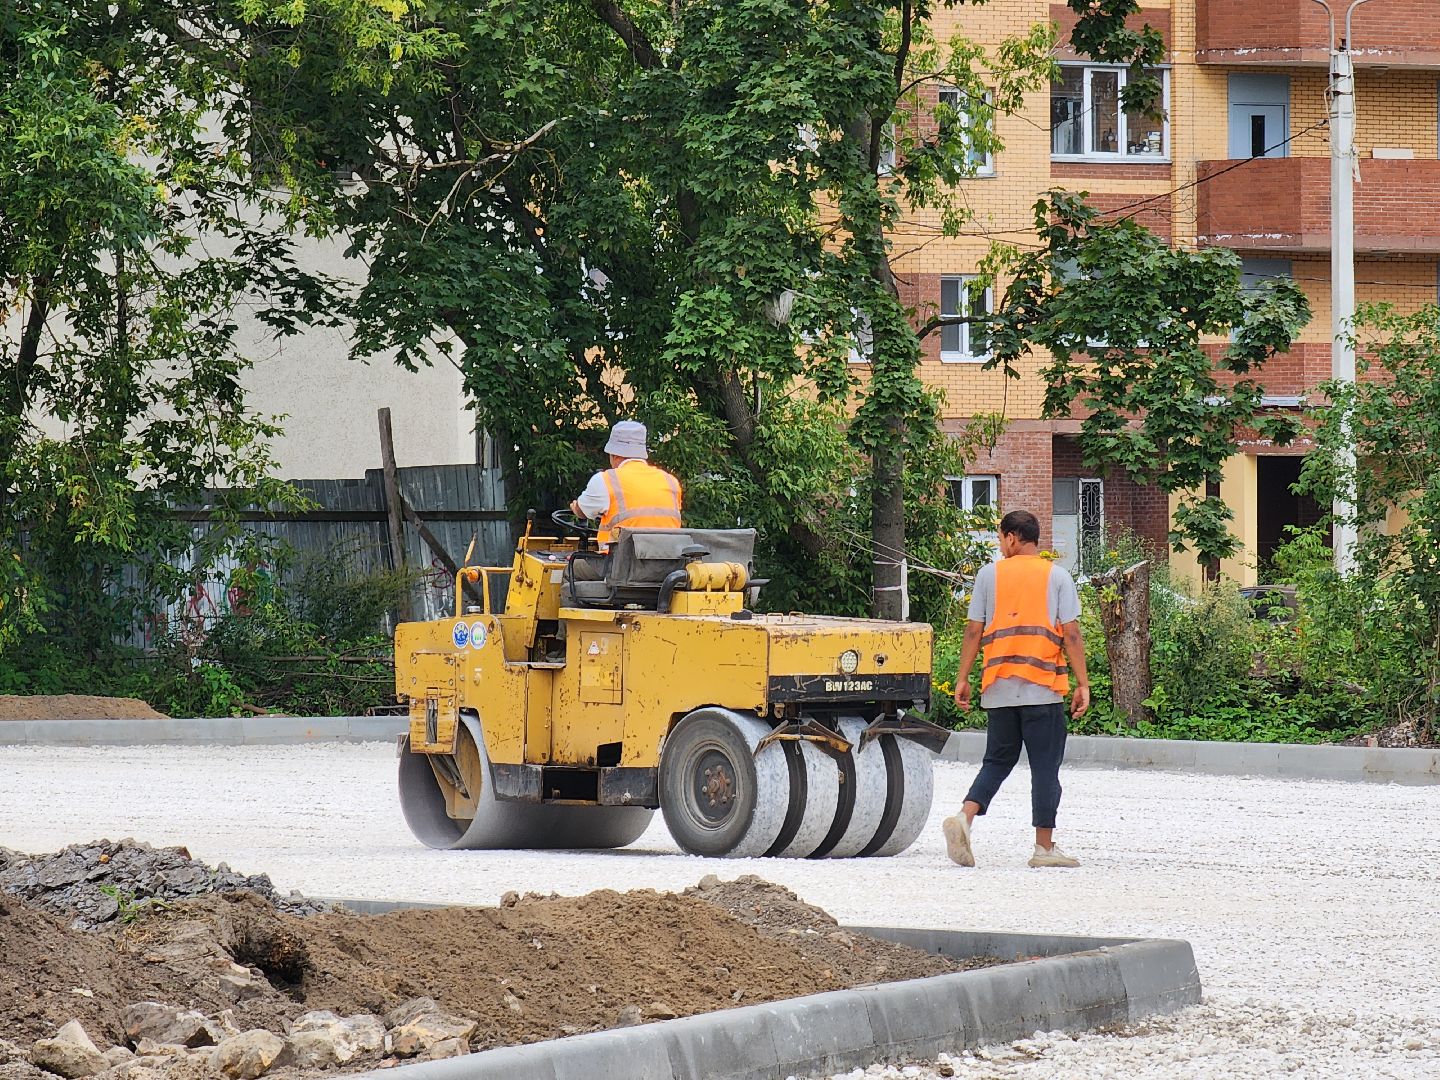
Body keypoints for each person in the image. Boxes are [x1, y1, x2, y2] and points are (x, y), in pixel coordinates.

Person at [942, 509, 1090, 869]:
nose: (1000, 545)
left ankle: (965, 816)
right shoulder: (1057, 576)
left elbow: (973, 631)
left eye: (1000, 538)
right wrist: (1083, 683)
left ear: (1012, 537)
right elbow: (1071, 634)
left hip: (999, 688)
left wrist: (963, 678)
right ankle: (1044, 849)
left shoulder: (988, 575)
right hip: (1043, 688)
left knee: (997, 760)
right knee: (1045, 768)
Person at [569, 421, 682, 556]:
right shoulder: (671, 481)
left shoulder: (606, 480)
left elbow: (583, 511)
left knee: (575, 565)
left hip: (619, 565)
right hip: (666, 564)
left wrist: (576, 508)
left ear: (614, 455)